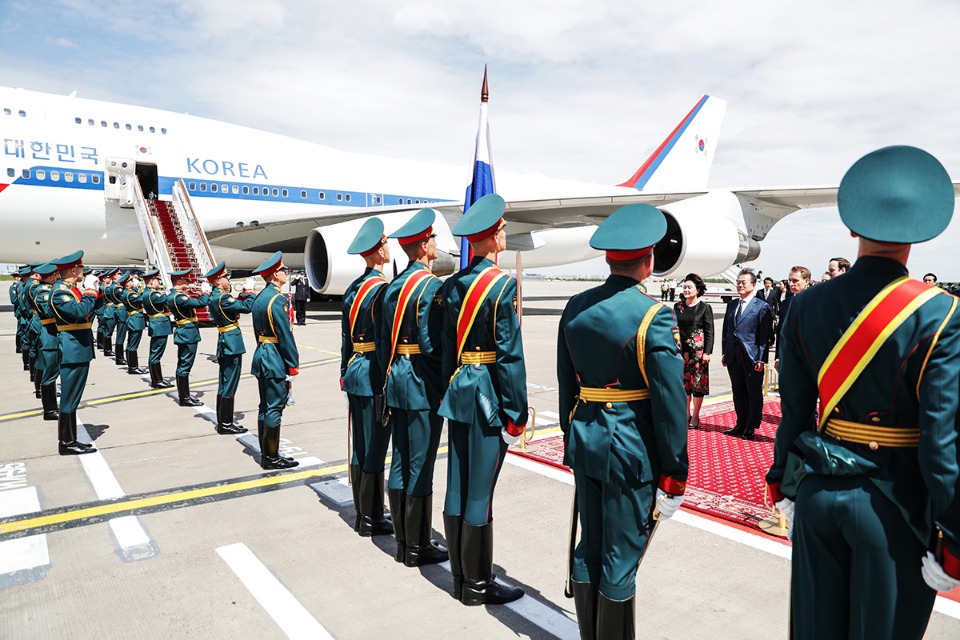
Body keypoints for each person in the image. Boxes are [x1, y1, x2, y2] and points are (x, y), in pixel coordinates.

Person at [766, 146, 960, 639]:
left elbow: (794, 414)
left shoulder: (806, 305)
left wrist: (784, 481)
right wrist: (953, 538)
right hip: (895, 507)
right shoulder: (940, 314)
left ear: (852, 228)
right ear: (921, 232)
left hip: (816, 493)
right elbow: (942, 445)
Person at [558, 203, 688, 638]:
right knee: (621, 556)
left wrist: (572, 432)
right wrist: (674, 470)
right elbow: (671, 403)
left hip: (586, 438)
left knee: (589, 546)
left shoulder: (575, 306)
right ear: (649, 259)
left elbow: (566, 386)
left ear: (608, 257)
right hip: (630, 448)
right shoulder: (654, 315)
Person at [438, 193, 528, 606]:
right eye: (503, 230)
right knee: (480, 492)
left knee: (457, 482)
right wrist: (517, 414)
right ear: (492, 237)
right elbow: (509, 356)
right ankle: (478, 585)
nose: (505, 234)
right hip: (487, 394)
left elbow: (443, 348)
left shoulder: (453, 284)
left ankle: (459, 577)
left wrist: (449, 388)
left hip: (458, 390)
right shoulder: (502, 285)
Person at [377, 208, 448, 567]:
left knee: (401, 459)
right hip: (421, 382)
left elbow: (382, 340)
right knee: (421, 464)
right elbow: (433, 345)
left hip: (397, 379)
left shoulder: (393, 286)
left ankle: (404, 543)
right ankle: (419, 546)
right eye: (433, 238)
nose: (436, 244)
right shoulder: (431, 286)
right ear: (423, 246)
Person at [341, 218, 393, 535]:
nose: (388, 248)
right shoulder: (381, 290)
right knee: (374, 446)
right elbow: (385, 340)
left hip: (354, 371)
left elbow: (346, 338)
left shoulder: (352, 289)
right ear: (377, 252)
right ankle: (372, 517)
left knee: (359, 446)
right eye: (385, 244)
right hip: (373, 372)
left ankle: (362, 511)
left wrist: (343, 371)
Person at [250, 251, 300, 470]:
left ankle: (267, 453)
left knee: (265, 406)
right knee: (274, 409)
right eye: (281, 270)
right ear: (273, 275)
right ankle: (271, 458)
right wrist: (292, 363)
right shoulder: (277, 300)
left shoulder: (261, 298)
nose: (284, 273)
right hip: (274, 357)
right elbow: (285, 334)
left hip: (262, 352)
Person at [49, 250, 101, 455]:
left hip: (79, 347)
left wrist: (97, 291)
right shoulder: (60, 292)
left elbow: (93, 308)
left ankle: (71, 439)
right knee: (69, 398)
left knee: (74, 397)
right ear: (73, 269)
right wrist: (89, 291)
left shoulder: (71, 289)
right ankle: (66, 442)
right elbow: (79, 312)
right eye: (80, 268)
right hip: (73, 348)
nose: (82, 271)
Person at [205, 261, 256, 435]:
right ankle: (226, 423)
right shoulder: (223, 298)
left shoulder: (216, 296)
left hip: (224, 340)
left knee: (224, 383)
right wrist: (249, 292)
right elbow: (248, 307)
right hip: (231, 342)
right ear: (218, 281)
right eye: (225, 277)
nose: (228, 279)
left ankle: (223, 421)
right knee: (230, 384)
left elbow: (235, 305)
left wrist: (241, 295)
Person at [721, 267, 773, 440]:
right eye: (738, 282)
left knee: (753, 392)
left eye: (743, 282)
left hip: (752, 356)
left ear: (753, 284)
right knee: (738, 390)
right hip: (733, 354)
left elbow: (765, 336)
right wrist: (724, 352)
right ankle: (741, 422)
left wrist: (761, 358)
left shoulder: (762, 307)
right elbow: (726, 331)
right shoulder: (732, 305)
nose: (740, 285)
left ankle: (751, 425)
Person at [674, 273, 714, 429]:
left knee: (698, 385)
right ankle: (686, 413)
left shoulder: (704, 308)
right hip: (681, 352)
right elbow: (673, 328)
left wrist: (707, 352)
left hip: (698, 354)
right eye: (684, 287)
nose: (686, 289)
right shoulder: (678, 307)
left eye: (689, 287)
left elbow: (709, 331)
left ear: (697, 290)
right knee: (684, 386)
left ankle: (696, 415)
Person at [166, 269, 210, 406]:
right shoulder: (179, 297)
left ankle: (185, 395)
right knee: (185, 365)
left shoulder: (176, 295)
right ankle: (184, 398)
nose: (188, 283)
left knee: (183, 364)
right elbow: (200, 304)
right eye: (185, 280)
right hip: (187, 333)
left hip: (185, 331)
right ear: (179, 281)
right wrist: (205, 293)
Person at [32, 262, 60, 419]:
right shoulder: (43, 292)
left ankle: (52, 407)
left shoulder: (48, 290)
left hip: (52, 334)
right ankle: (49, 410)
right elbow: (50, 311)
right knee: (49, 374)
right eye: (55, 275)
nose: (57, 278)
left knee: (51, 373)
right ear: (50, 277)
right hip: (49, 335)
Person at [774, 266, 811, 371]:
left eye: (795, 281)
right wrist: (778, 357)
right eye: (789, 280)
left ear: (806, 281)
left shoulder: (815, 302)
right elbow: (780, 331)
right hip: (787, 358)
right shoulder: (785, 303)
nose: (791, 284)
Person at [121, 273, 148, 375]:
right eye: (131, 281)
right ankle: (133, 367)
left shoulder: (128, 293)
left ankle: (132, 366)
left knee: (131, 344)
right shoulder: (129, 294)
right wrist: (146, 291)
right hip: (136, 319)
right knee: (133, 345)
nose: (133, 282)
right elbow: (142, 299)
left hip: (134, 319)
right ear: (127, 284)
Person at [99, 268, 119, 357]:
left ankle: (107, 348)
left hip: (112, 309)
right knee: (108, 331)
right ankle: (107, 349)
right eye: (119, 274)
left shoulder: (111, 287)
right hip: (111, 310)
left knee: (108, 330)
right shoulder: (110, 288)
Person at [111, 272, 129, 366]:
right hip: (122, 311)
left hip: (121, 310)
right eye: (119, 274)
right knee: (121, 335)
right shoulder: (117, 288)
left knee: (121, 335)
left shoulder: (117, 287)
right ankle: (119, 357)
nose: (120, 275)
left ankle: (120, 356)